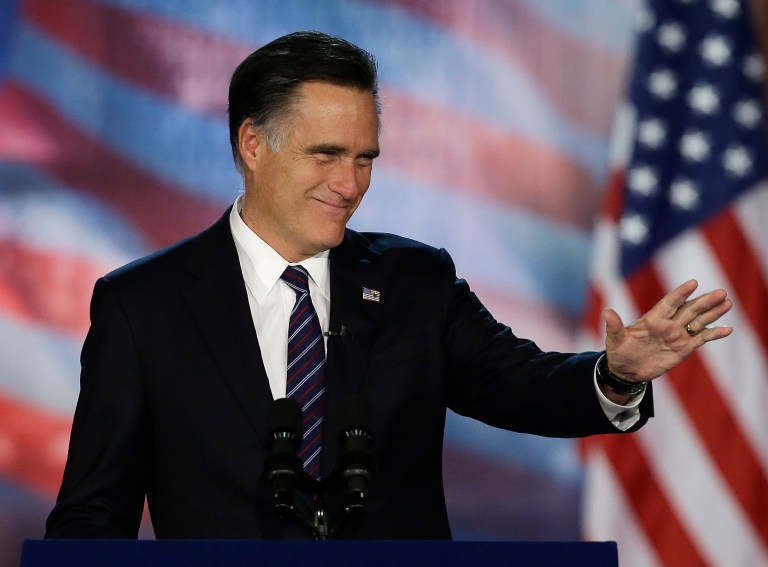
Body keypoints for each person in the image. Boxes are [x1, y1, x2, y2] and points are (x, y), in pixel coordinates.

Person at [45, 31, 732, 540]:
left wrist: (615, 375)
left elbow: (524, 385)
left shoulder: (415, 282)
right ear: (253, 145)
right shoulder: (145, 307)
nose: (350, 185)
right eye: (326, 155)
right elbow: (90, 514)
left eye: (364, 159)